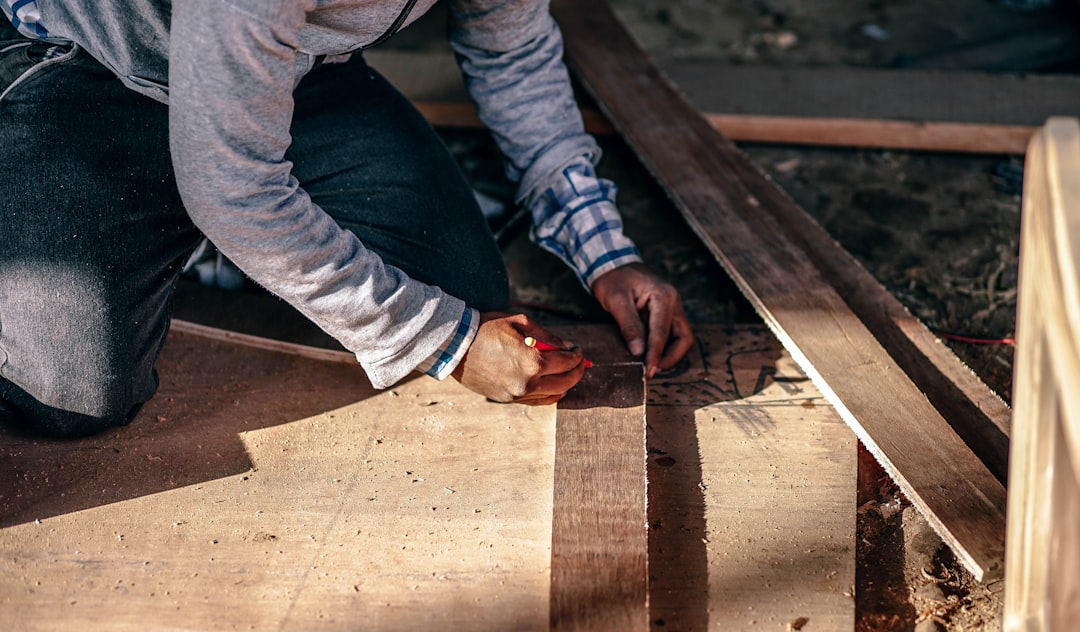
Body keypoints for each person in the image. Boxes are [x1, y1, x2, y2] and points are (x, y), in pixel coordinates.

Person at [0, 0, 694, 439]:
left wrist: (605, 252)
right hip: (92, 69)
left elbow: (511, 54)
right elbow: (235, 185)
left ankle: (220, 250)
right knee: (69, 397)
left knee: (467, 294)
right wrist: (446, 340)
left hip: (291, 74)